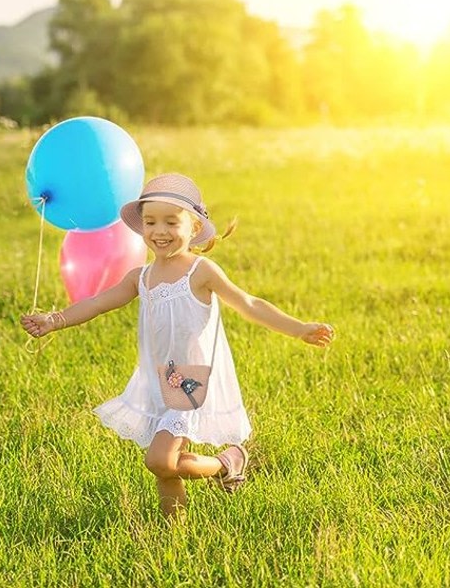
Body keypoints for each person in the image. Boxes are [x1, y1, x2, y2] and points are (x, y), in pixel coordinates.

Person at [21, 173, 335, 519]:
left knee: (159, 459)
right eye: (151, 222)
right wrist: (56, 320)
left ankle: (225, 463)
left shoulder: (201, 271)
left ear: (194, 226)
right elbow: (97, 303)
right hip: (159, 378)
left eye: (172, 222)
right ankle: (175, 531)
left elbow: (249, 303)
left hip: (190, 378)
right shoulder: (140, 277)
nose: (160, 231)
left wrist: (299, 329)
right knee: (164, 470)